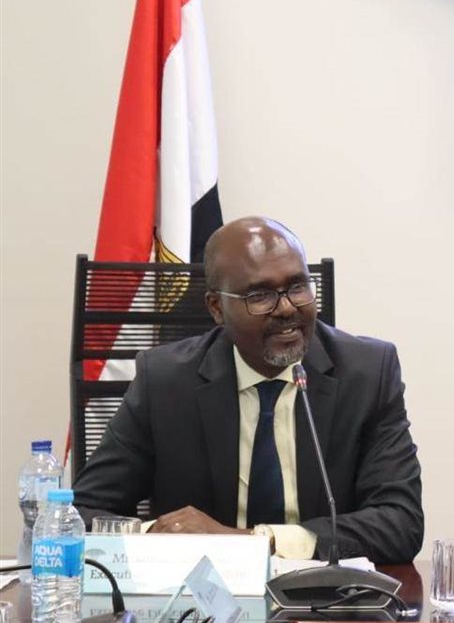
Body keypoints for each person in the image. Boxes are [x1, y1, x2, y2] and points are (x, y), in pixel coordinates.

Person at [72, 217, 423, 564]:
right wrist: (162, 534)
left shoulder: (367, 373)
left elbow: (401, 523)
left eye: (298, 287)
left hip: (323, 592)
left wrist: (251, 542)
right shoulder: (165, 382)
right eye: (260, 295)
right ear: (216, 308)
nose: (286, 308)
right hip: (200, 595)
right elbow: (81, 513)